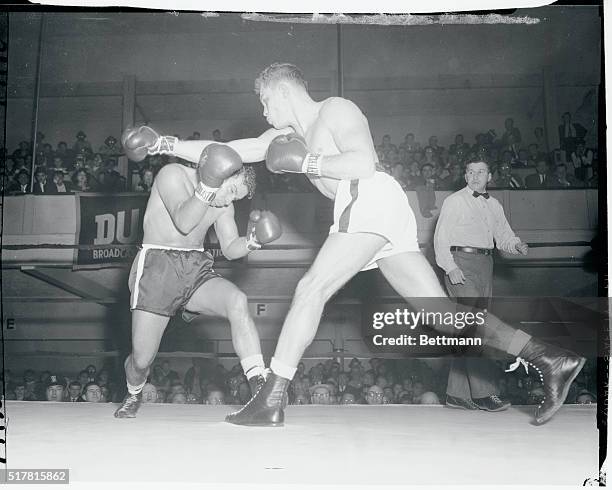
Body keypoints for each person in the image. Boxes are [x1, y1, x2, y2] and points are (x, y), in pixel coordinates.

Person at [129, 63, 584, 428]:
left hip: (368, 195)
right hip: (379, 211)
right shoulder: (280, 138)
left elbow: (364, 163)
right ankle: (549, 357)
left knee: (311, 289)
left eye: (264, 101)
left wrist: (308, 161)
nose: (264, 112)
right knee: (443, 317)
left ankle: (271, 400)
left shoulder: (335, 110)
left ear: (282, 90)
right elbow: (224, 150)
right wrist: (163, 143)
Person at [115, 129, 283, 418]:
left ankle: (260, 384)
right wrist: (208, 186)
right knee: (142, 360)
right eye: (231, 190)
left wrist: (253, 242)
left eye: (236, 197)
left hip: (195, 267)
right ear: (219, 172)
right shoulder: (172, 174)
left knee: (237, 301)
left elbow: (230, 248)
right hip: (158, 265)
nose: (229, 200)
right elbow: (183, 220)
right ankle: (133, 392)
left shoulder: (223, 202)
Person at [434, 159, 529, 412]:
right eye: (471, 172)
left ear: (489, 176)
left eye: (481, 172)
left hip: (486, 265)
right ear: (465, 176)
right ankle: (486, 393)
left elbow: (503, 235)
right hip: (460, 264)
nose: (475, 176)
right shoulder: (454, 201)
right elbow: (441, 237)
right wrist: (450, 267)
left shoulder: (494, 204)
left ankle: (456, 394)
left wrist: (516, 245)